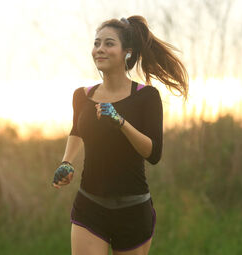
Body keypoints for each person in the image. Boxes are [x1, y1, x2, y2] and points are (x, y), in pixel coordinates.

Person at [51, 15, 188, 255]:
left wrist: (120, 121)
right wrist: (66, 162)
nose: (99, 50)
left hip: (133, 210)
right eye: (96, 43)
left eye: (108, 43)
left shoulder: (147, 97)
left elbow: (153, 153)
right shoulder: (82, 96)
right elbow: (77, 131)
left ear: (127, 51)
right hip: (89, 205)